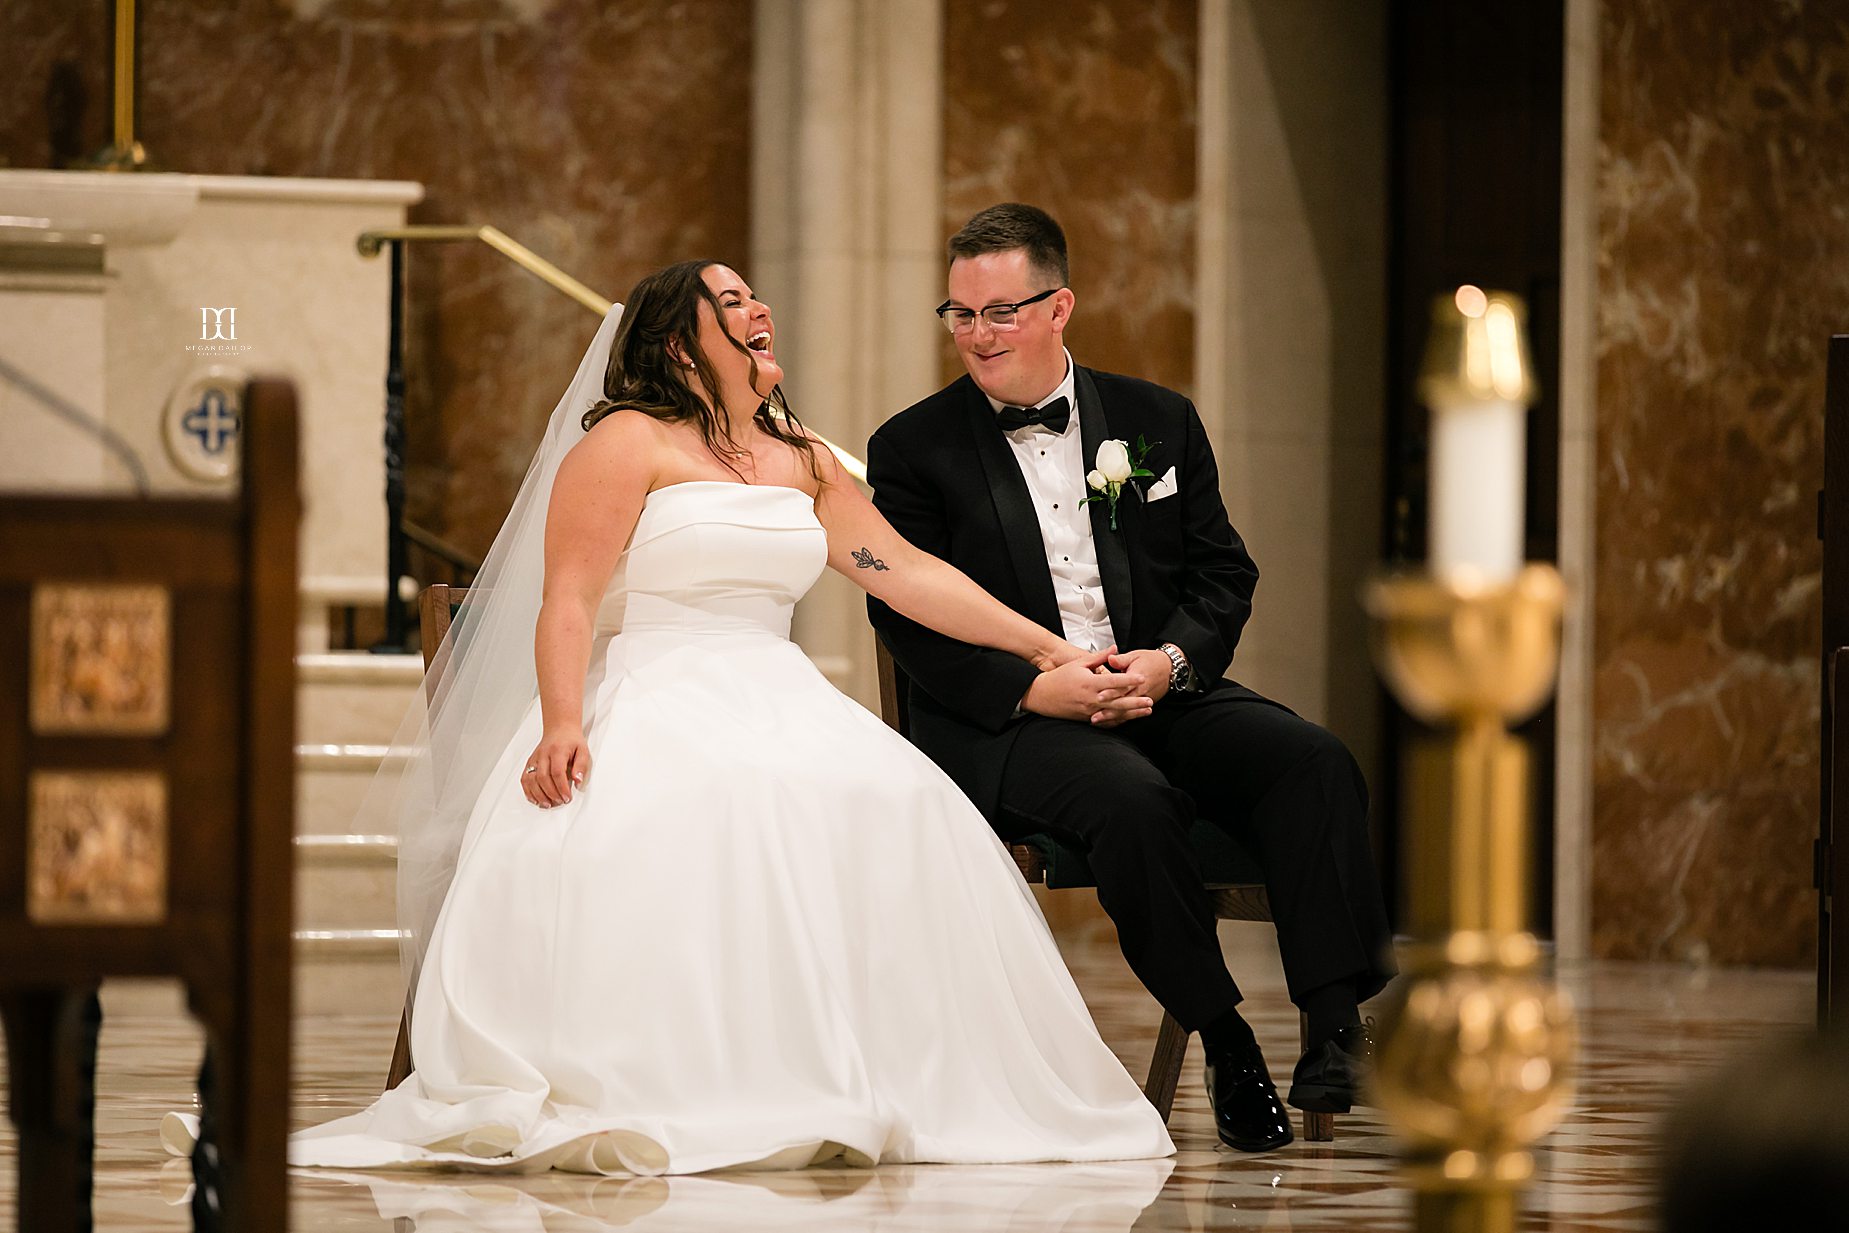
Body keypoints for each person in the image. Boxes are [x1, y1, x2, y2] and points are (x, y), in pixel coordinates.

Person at [170, 260, 1172, 1175]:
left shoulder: (803, 457)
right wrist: (563, 720)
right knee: (706, 803)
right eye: (729, 303)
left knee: (894, 796)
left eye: (754, 297)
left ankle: (883, 1072)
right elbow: (567, 598)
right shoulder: (625, 445)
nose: (758, 310)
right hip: (651, 683)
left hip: (774, 687)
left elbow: (900, 571)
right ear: (677, 343)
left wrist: (1042, 646)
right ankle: (697, 1075)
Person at [867, 203, 1395, 1153]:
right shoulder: (912, 448)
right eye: (959, 314)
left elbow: (1221, 575)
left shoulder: (1157, 420)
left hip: (1155, 686)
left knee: (1311, 761)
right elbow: (903, 614)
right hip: (1012, 722)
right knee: (1134, 802)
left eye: (1000, 312)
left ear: (1059, 305)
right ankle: (1226, 1041)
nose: (977, 335)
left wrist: (1168, 661)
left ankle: (1331, 1026)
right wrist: (1036, 688)